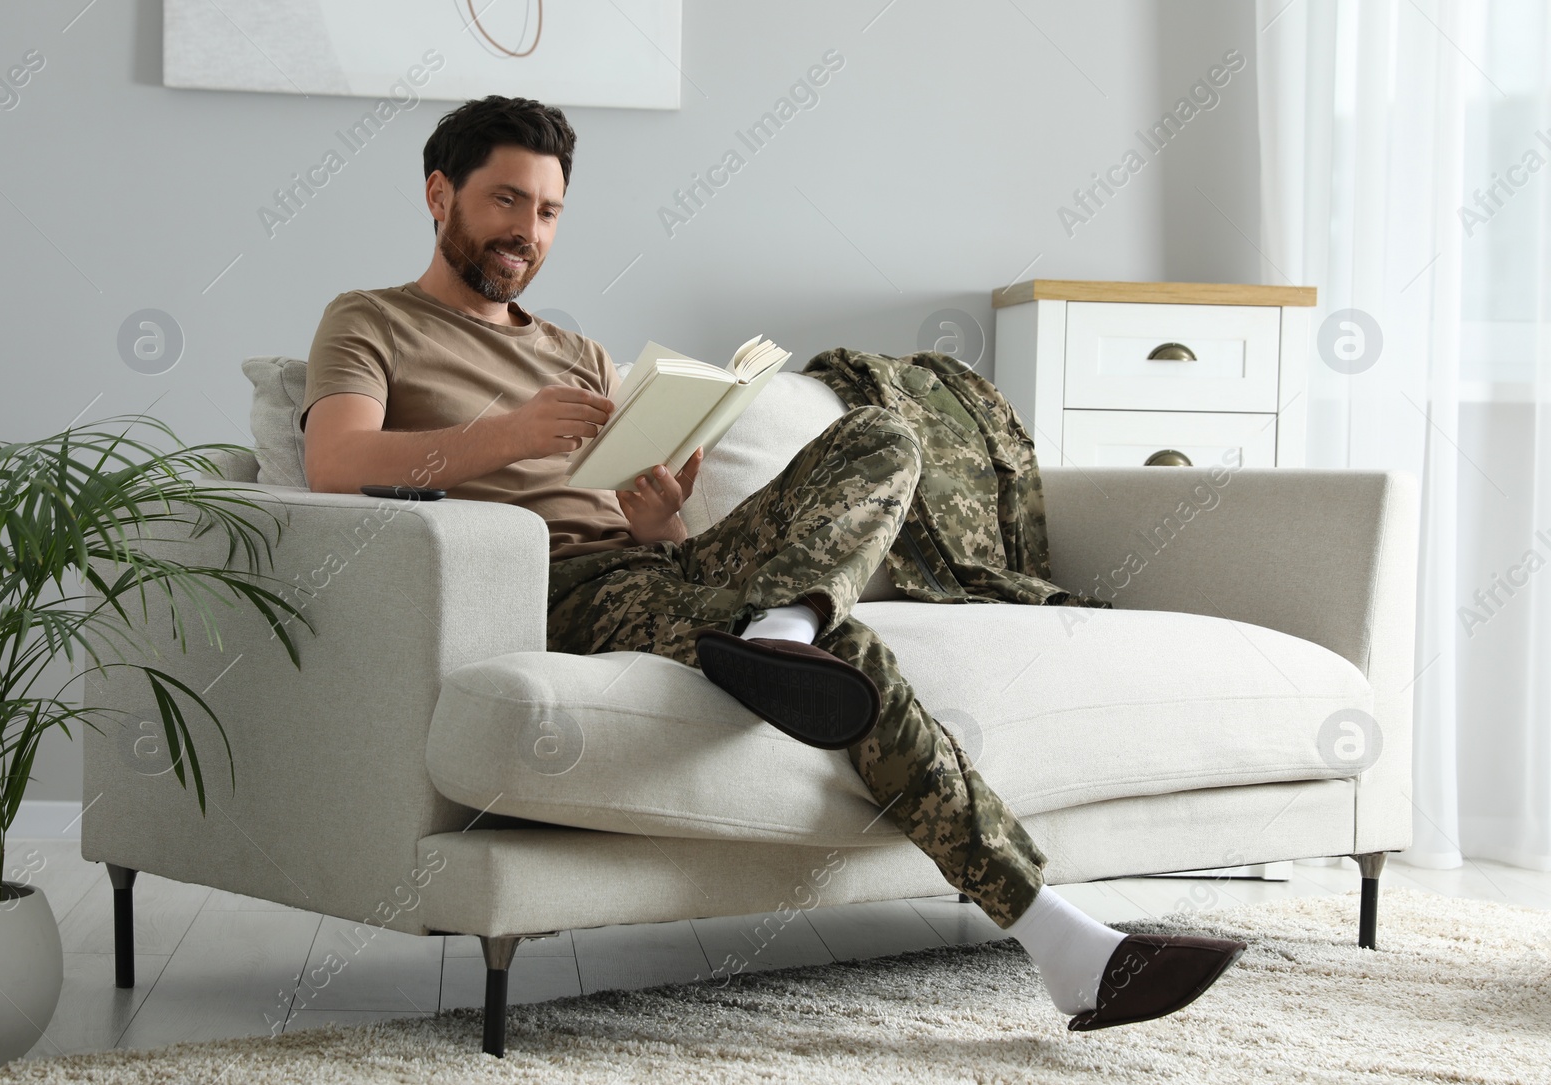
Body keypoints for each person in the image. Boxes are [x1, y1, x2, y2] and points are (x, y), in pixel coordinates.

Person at [300, 95, 1245, 1031]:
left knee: (879, 432)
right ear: (439, 195)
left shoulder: (576, 350)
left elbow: (652, 527)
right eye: (505, 201)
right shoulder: (371, 321)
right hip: (550, 589)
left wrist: (662, 519)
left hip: (651, 566)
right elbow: (335, 461)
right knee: (857, 658)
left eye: (548, 211)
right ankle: (1066, 942)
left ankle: (783, 621)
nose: (527, 232)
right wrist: (505, 435)